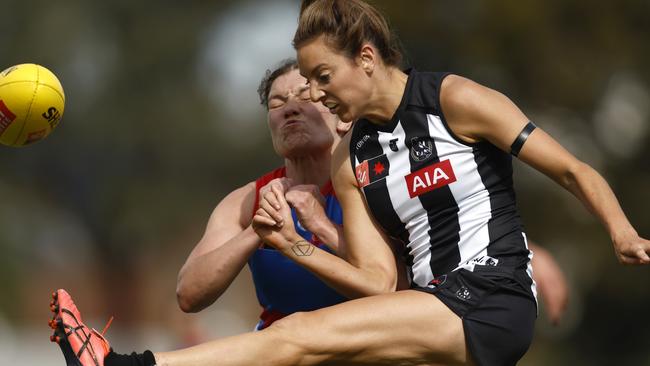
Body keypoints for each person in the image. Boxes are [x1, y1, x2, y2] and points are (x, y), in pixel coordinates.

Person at [50, 1, 646, 365]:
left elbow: (573, 168)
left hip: (491, 300)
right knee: (297, 341)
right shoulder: (354, 153)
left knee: (302, 338)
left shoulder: (453, 98)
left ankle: (123, 365)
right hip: (429, 307)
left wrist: (619, 231)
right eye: (299, 85)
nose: (314, 93)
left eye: (320, 76)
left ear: (366, 57)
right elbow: (378, 283)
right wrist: (291, 244)